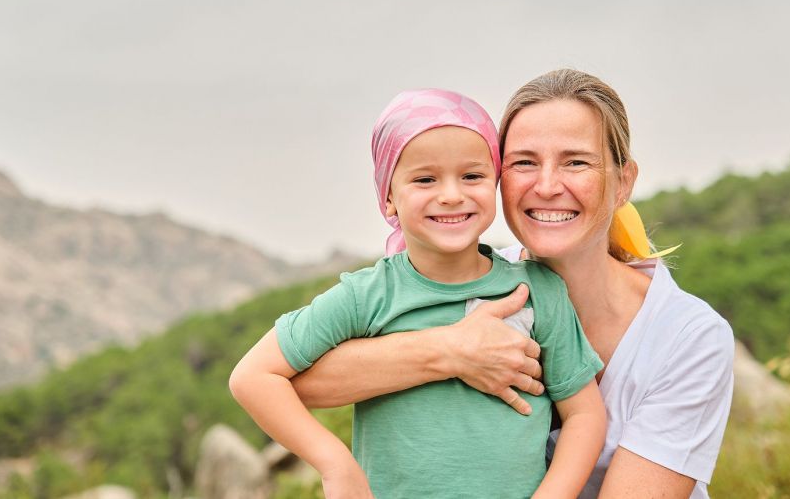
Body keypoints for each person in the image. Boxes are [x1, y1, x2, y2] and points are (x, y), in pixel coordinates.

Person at [290, 70, 736, 498]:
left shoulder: (689, 337)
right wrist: (452, 350)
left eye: (576, 162)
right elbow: (298, 381)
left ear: (623, 182)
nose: (545, 186)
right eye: (524, 163)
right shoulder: (472, 278)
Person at [229, 89, 607, 498]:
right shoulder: (365, 296)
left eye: (472, 176)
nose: (450, 194)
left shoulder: (536, 290)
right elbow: (253, 377)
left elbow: (584, 414)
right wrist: (334, 462)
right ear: (388, 197)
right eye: (425, 179)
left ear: (495, 184)